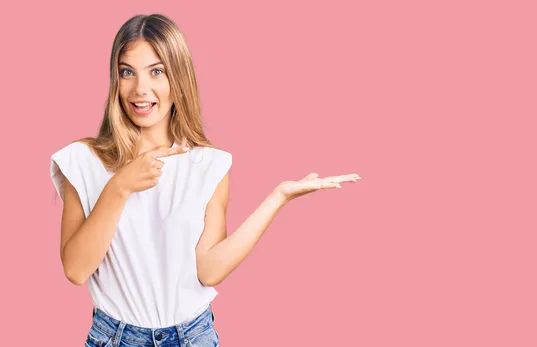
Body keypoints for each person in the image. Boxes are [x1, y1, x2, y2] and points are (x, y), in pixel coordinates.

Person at [50, 13, 360, 347]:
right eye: (128, 72)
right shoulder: (83, 160)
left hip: (192, 337)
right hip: (114, 338)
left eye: (157, 71)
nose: (140, 89)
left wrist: (278, 198)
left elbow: (208, 271)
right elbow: (76, 270)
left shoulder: (208, 165)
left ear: (178, 78)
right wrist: (119, 186)